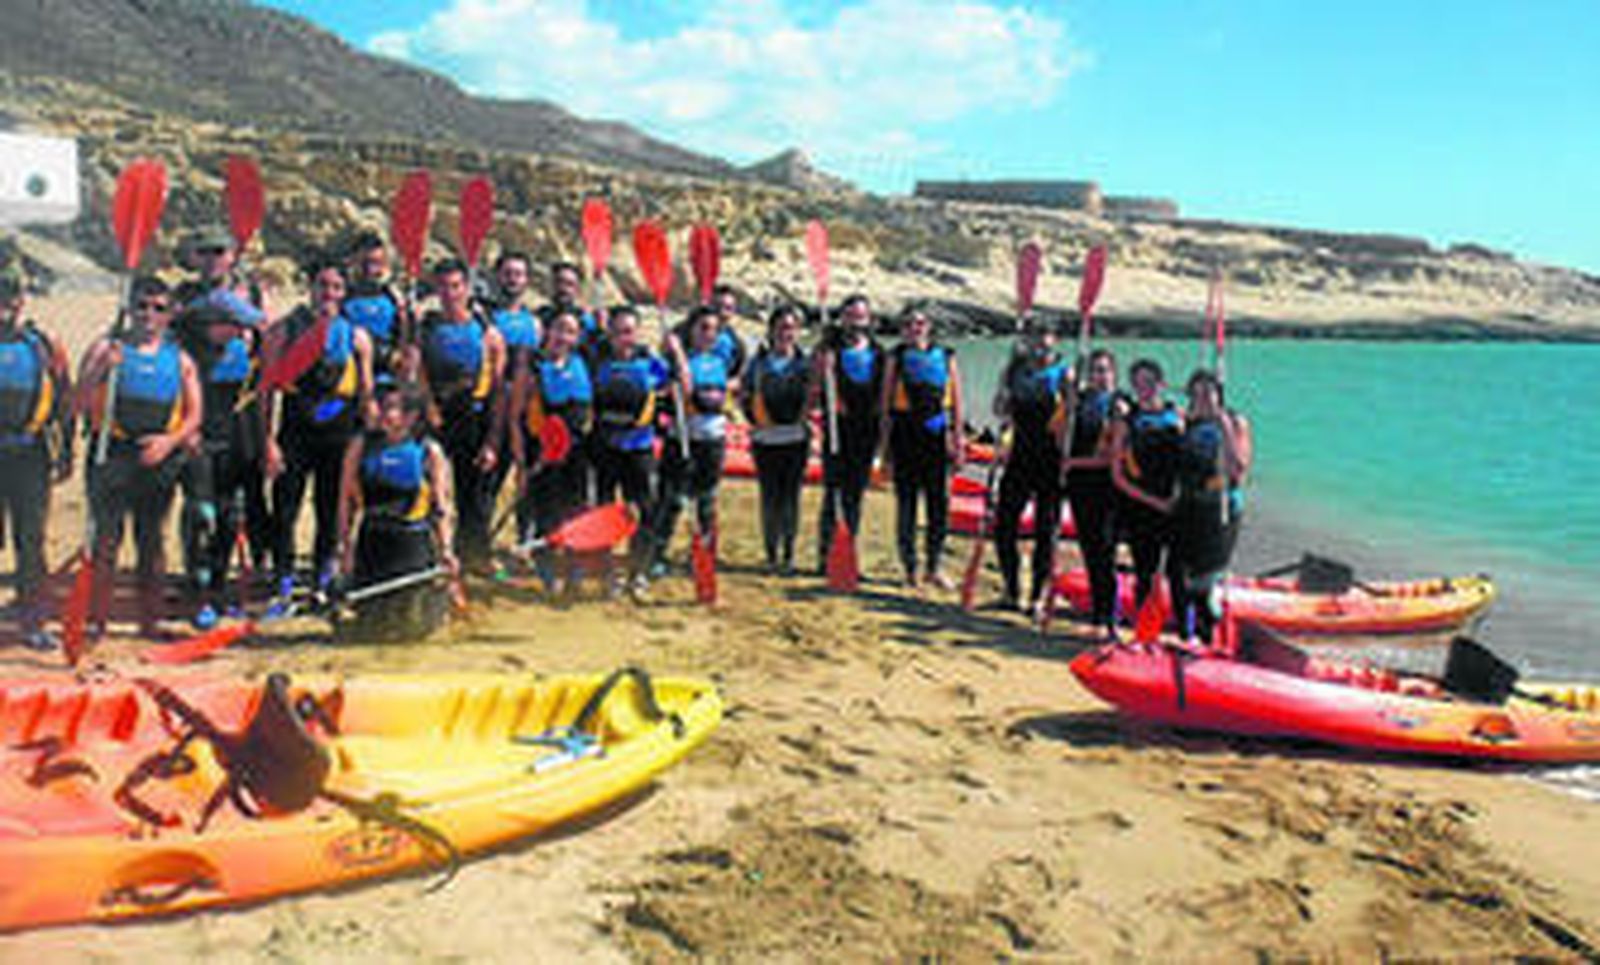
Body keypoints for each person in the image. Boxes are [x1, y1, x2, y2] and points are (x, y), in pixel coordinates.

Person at [76, 277, 203, 638]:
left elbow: (195, 415)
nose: (149, 314)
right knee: (105, 542)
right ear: (129, 309)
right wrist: (99, 371)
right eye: (142, 306)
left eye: (158, 308)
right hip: (111, 454)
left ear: (169, 314)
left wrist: (168, 442)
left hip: (156, 459)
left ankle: (150, 620)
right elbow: (77, 402)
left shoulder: (179, 359)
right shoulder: (105, 349)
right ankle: (95, 621)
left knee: (151, 541)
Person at [264, 258, 374, 603]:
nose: (329, 293)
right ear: (310, 288)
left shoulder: (357, 336)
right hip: (296, 431)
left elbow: (367, 394)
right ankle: (282, 573)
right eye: (322, 285)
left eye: (336, 287)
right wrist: (267, 441)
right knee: (285, 507)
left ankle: (322, 575)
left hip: (338, 434)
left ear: (344, 293)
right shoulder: (284, 330)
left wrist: (367, 441)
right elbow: (266, 391)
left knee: (330, 508)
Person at [174, 226, 272, 602]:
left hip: (239, 409)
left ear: (233, 256)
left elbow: (267, 341)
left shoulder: (252, 293)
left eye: (220, 251)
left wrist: (245, 317)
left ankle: (217, 581)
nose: (212, 258)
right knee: (199, 503)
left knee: (233, 505)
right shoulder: (184, 295)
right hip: (200, 405)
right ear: (195, 257)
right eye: (205, 251)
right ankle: (195, 578)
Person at [336, 383, 456, 641]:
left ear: (411, 417)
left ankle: (438, 607)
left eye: (391, 408)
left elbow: (441, 507)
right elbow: (346, 501)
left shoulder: (428, 451)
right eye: (381, 406)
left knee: (411, 630)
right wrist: (344, 549)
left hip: (412, 545)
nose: (381, 413)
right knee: (371, 630)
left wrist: (446, 550)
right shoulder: (361, 445)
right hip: (374, 544)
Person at [412, 258, 506, 574]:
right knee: (432, 491)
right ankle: (434, 555)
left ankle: (476, 557)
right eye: (443, 286)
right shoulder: (426, 329)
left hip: (474, 421)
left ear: (467, 288)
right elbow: (419, 375)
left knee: (474, 496)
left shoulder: (489, 334)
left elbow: (498, 392)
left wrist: (493, 440)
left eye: (456, 286)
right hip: (438, 418)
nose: (450, 293)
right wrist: (429, 409)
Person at [0, 264, 72, 649]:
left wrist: (67, 452)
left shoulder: (43, 344)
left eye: (9, 298)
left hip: (31, 454)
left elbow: (64, 399)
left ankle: (33, 620)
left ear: (20, 301)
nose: (3, 306)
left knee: (31, 540)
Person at [587, 305, 669, 598]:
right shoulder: (596, 362)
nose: (625, 338)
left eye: (630, 332)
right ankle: (608, 573)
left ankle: (638, 572)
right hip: (606, 448)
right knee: (605, 510)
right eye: (619, 332)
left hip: (639, 449)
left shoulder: (651, 363)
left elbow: (680, 386)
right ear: (609, 334)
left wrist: (677, 353)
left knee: (645, 511)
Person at [509, 306, 592, 593]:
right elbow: (515, 418)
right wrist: (521, 461)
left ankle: (574, 573)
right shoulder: (530, 369)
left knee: (576, 512)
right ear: (547, 331)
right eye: (559, 329)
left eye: (570, 332)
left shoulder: (583, 363)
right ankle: (547, 575)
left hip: (577, 455)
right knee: (547, 515)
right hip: (543, 455)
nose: (563, 337)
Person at [879, 306, 963, 589]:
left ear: (929, 327)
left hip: (937, 437)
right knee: (907, 505)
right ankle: (909, 568)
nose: (916, 328)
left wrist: (958, 438)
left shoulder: (947, 355)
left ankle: (934, 566)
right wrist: (885, 448)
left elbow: (957, 402)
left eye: (921, 323)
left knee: (939, 505)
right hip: (905, 436)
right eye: (911, 324)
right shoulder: (896, 357)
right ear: (903, 329)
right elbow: (885, 403)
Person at [989, 319, 1070, 611]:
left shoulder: (1064, 374)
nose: (1039, 341)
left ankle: (1037, 595)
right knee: (1004, 525)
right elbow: (1000, 411)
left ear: (1055, 339)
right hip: (1020, 456)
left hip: (1051, 460)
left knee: (1045, 530)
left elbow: (1071, 419)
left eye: (1045, 335)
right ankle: (1012, 590)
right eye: (1034, 335)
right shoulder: (1014, 371)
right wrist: (1002, 396)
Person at [1169, 369, 1251, 644]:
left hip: (1221, 510)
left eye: (1208, 393)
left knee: (1204, 582)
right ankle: (1185, 635)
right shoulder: (1187, 423)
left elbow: (1237, 469)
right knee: (1179, 575)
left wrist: (1223, 424)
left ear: (1219, 395)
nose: (1202, 399)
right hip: (1189, 507)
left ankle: (1210, 636)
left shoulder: (1235, 422)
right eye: (1196, 393)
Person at [651, 306, 731, 576]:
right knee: (671, 500)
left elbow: (715, 395)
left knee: (706, 500)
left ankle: (702, 554)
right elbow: (686, 388)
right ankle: (657, 554)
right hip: (683, 438)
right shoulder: (675, 361)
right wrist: (676, 353)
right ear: (691, 330)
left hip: (712, 439)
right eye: (703, 328)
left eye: (713, 329)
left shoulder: (720, 361)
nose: (708, 334)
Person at [814, 293, 883, 573]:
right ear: (842, 319)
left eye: (861, 317)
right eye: (851, 316)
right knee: (833, 494)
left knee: (855, 495)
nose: (856, 322)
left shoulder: (878, 352)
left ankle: (847, 554)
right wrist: (823, 367)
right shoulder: (828, 349)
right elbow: (816, 385)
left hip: (865, 431)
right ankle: (823, 557)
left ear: (868, 320)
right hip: (837, 429)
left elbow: (884, 393)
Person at [740, 304, 811, 574]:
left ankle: (788, 555)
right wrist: (752, 420)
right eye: (781, 328)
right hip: (765, 440)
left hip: (795, 439)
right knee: (770, 498)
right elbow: (744, 395)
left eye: (791, 328)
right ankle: (771, 554)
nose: (786, 333)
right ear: (771, 330)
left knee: (791, 499)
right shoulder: (757, 364)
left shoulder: (805, 363)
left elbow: (816, 395)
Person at [1109, 358, 1183, 613]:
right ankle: (1142, 626)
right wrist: (1154, 502)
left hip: (1175, 505)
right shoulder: (1126, 421)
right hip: (1140, 505)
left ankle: (1188, 631)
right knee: (1145, 571)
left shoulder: (1177, 416)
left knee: (1178, 572)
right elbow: (1117, 475)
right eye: (1138, 383)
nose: (1145, 388)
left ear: (1161, 384)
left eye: (1150, 382)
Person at [1063, 348, 1126, 637]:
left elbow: (1113, 455)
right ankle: (1099, 614)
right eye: (1095, 371)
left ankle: (1109, 618)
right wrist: (1068, 400)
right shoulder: (1081, 401)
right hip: (1080, 486)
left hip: (1108, 486)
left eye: (1104, 370)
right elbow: (1062, 435)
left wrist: (1073, 462)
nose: (1100, 376)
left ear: (1113, 374)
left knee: (1105, 551)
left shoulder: (1120, 404)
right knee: (1090, 549)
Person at [341, 230, 410, 394]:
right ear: (353, 262)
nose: (370, 270)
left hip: (386, 371)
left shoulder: (393, 297)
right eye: (365, 263)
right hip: (350, 372)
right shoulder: (341, 295)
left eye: (376, 263)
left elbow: (405, 337)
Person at [539, 261, 604, 350]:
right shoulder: (541, 316)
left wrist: (601, 329)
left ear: (577, 290)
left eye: (569, 284)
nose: (563, 288)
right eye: (559, 281)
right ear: (552, 284)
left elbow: (598, 350)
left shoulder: (586, 320)